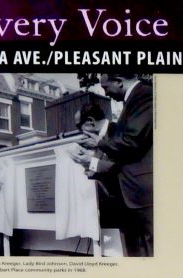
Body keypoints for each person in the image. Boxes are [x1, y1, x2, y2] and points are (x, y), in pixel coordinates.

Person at [74, 74, 153, 256]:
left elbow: (127, 150)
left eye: (106, 88)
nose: (106, 94)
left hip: (139, 195)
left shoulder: (141, 98)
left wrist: (92, 161)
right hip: (127, 202)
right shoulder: (131, 104)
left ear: (119, 81)